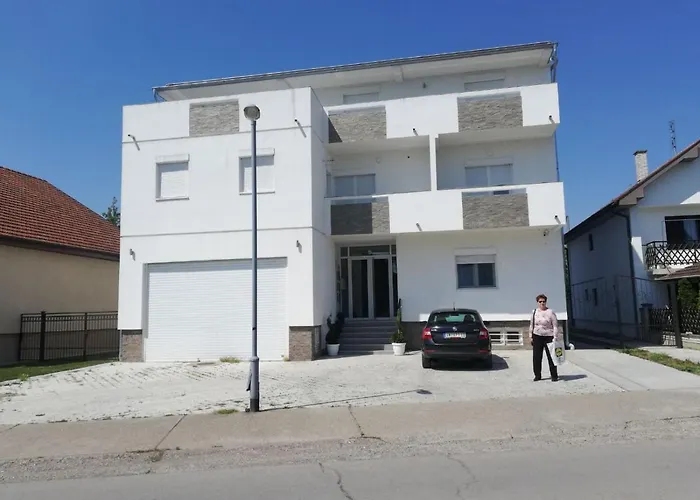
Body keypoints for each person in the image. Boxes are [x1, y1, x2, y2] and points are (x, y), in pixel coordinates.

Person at [529, 294, 559, 382]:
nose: (542, 303)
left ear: (546, 302)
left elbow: (555, 326)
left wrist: (555, 337)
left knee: (551, 357)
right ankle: (537, 375)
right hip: (537, 336)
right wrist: (530, 336)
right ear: (537, 302)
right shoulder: (534, 312)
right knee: (537, 357)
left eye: (543, 301)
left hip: (548, 336)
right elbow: (531, 325)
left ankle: (554, 376)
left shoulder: (550, 312)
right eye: (540, 301)